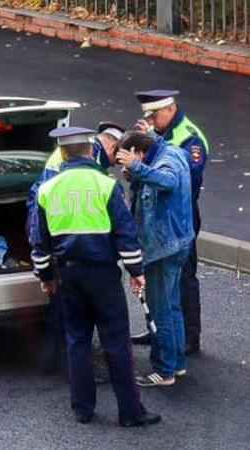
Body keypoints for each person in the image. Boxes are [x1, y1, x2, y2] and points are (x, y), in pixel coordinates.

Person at [31, 126, 160, 427]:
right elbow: (126, 235)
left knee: (76, 340)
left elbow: (41, 241)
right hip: (102, 275)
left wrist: (46, 275)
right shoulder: (106, 185)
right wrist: (136, 272)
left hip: (69, 275)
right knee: (116, 342)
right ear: (89, 151)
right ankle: (130, 411)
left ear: (62, 153)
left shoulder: (48, 190)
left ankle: (83, 408)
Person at [25, 122, 125, 374]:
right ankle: (66, 365)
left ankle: (54, 361)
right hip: (68, 244)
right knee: (67, 312)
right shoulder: (90, 160)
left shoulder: (73, 153)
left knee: (64, 309)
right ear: (107, 145)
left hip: (58, 239)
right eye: (119, 154)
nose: (119, 161)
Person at [132, 90, 209, 355]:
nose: (151, 122)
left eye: (154, 116)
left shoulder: (190, 137)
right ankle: (158, 330)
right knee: (154, 275)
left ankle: (188, 336)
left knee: (183, 277)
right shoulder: (161, 133)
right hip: (156, 214)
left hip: (179, 215)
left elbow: (186, 178)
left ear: (170, 109)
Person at [116, 131, 194, 387]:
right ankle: (177, 363)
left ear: (138, 152)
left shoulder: (162, 163)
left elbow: (168, 182)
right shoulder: (168, 152)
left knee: (159, 309)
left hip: (163, 249)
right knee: (172, 306)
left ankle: (164, 370)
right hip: (177, 243)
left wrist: (136, 168)